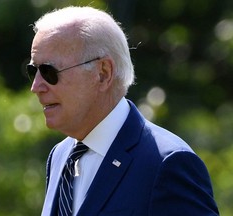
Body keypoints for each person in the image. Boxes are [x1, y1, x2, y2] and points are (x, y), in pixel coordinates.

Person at [26, 6, 219, 216]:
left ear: (103, 73)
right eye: (33, 71)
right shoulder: (60, 156)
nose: (36, 87)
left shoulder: (167, 163)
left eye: (48, 72)